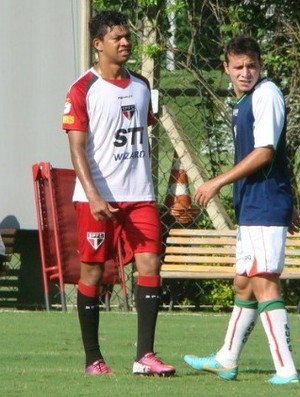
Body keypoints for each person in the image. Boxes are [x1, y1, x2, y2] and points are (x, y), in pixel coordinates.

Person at [62, 10, 175, 377]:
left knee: (150, 264)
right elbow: (77, 148)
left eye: (128, 37)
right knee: (93, 273)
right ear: (98, 45)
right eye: (117, 38)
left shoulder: (142, 85)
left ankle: (145, 356)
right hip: (97, 198)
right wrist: (94, 195)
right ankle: (93, 359)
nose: (126, 42)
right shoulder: (82, 89)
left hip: (140, 194)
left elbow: (140, 128)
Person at [184, 35, 299, 385]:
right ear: (227, 68)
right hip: (254, 204)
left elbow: (266, 152)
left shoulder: (266, 95)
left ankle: (286, 369)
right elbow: (280, 158)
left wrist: (216, 181)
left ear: (260, 65)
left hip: (264, 203)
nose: (245, 72)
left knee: (264, 283)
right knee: (243, 283)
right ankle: (226, 359)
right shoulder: (244, 102)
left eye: (251, 65)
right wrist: (292, 199)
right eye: (238, 67)